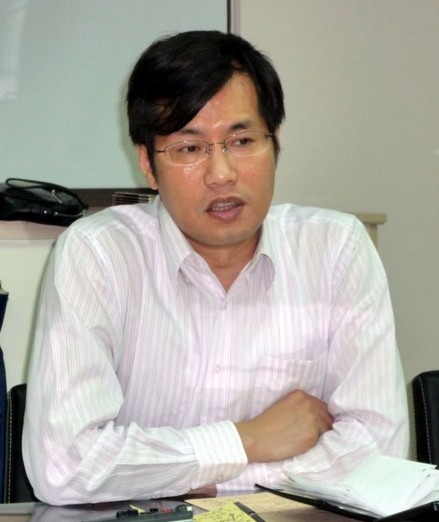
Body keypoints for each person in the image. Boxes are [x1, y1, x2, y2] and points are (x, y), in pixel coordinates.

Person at [22, 30, 409, 505]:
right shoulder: (98, 255)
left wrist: (200, 479)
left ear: (276, 142)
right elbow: (63, 466)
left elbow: (378, 454)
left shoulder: (337, 250)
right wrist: (247, 439)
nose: (222, 173)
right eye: (189, 148)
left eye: (242, 140)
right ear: (147, 164)